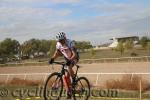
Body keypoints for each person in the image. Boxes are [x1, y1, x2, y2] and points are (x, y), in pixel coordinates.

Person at [49, 32, 79, 99]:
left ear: (65, 38)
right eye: (59, 41)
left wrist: (70, 60)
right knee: (65, 77)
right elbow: (57, 53)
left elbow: (75, 54)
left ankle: (74, 80)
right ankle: (69, 92)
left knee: (69, 67)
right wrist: (52, 59)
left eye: (62, 40)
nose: (61, 42)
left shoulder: (70, 42)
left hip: (74, 57)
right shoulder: (58, 44)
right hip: (67, 58)